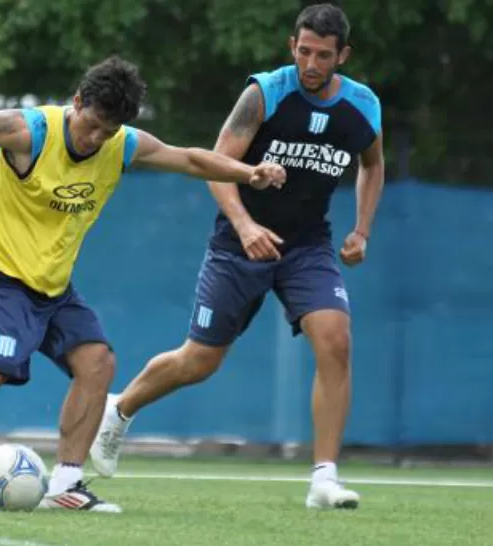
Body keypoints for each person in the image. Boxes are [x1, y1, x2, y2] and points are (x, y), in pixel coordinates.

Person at [0, 56, 286, 513]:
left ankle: (66, 485)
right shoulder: (29, 131)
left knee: (97, 362)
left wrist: (248, 173)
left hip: (51, 286)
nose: (96, 139)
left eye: (108, 132)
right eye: (91, 125)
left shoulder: (122, 144)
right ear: (77, 102)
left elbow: (189, 158)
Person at [90, 4, 384, 511]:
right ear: (293, 46)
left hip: (308, 245)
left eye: (324, 55)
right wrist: (246, 226)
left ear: (343, 56)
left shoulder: (362, 106)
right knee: (199, 360)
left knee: (336, 341)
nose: (312, 63)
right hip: (238, 244)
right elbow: (216, 165)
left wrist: (361, 228)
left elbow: (372, 164)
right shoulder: (265, 93)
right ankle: (120, 409)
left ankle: (324, 478)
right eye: (304, 51)